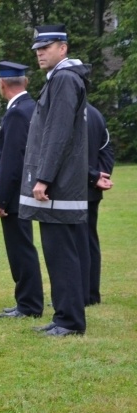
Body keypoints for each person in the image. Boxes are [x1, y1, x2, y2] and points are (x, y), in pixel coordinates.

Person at [20, 24, 90, 337]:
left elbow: (57, 134)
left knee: (61, 255)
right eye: (37, 49)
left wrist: (44, 178)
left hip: (58, 187)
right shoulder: (64, 78)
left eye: (45, 47)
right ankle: (64, 316)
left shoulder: (63, 79)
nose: (39, 53)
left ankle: (69, 321)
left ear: (63, 47)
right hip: (64, 184)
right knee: (64, 253)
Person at [0, 61, 44, 319]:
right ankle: (28, 301)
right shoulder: (31, 107)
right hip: (28, 187)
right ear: (25, 82)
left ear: (2, 84)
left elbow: (11, 160)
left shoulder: (16, 113)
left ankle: (29, 304)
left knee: (20, 248)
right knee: (24, 246)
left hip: (15, 194)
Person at [82, 103, 114, 305]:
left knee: (77, 243)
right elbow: (107, 149)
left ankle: (82, 294)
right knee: (90, 240)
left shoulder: (68, 113)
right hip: (92, 189)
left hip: (74, 188)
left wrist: (93, 177)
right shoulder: (95, 114)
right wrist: (101, 176)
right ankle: (91, 293)